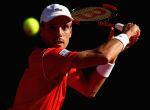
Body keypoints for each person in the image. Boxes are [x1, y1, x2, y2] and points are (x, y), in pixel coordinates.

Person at [9, 3, 141, 110]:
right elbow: (102, 55)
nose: (59, 33)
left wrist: (115, 52)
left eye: (65, 27)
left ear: (71, 31)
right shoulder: (48, 57)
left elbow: (89, 90)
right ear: (42, 31)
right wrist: (126, 34)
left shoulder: (62, 64)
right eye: (52, 27)